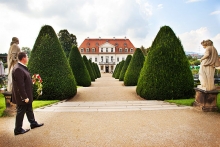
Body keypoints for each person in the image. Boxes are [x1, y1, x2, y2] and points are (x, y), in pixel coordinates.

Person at [12, 52, 44, 135]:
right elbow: (20, 85)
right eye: (27, 56)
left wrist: (32, 81)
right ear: (23, 58)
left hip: (26, 94)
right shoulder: (18, 68)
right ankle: (18, 129)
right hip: (23, 96)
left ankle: (33, 123)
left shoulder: (22, 67)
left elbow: (24, 80)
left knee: (29, 109)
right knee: (21, 111)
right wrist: (24, 97)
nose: (28, 58)